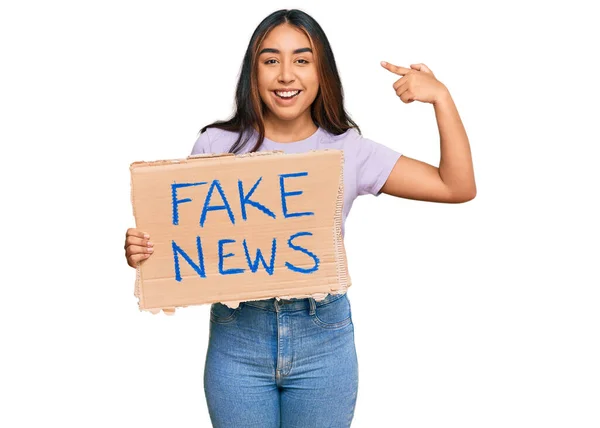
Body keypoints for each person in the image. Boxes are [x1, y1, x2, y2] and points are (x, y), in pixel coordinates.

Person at [124, 8, 476, 427]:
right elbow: (186, 239)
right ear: (252, 73)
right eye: (271, 60)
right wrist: (144, 250)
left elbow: (456, 187)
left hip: (323, 337)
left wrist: (441, 98)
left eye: (302, 60)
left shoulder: (348, 149)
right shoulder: (216, 145)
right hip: (238, 337)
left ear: (321, 72)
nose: (286, 74)